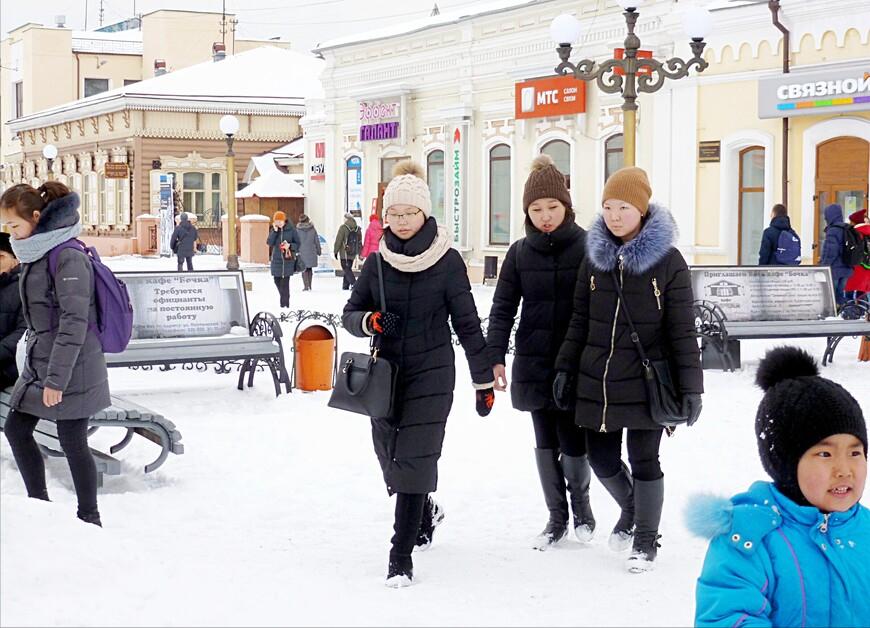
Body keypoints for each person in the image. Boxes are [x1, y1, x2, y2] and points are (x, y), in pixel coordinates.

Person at [342, 160, 494, 588]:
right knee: (391, 460)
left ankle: (400, 557)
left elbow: (467, 324)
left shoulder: (446, 263)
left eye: (410, 213)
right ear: (384, 217)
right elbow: (349, 314)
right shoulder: (376, 263)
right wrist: (370, 322)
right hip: (385, 377)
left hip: (431, 373)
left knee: (413, 461)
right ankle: (424, 510)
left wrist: (482, 381)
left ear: (425, 215)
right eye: (395, 214)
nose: (403, 221)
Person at [552, 166, 703, 572]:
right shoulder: (594, 258)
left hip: (646, 380)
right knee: (601, 459)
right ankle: (635, 507)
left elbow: (682, 331)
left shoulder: (669, 262)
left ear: (641, 209)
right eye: (607, 207)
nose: (614, 215)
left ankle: (645, 539)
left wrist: (692, 388)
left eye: (623, 207)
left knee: (644, 458)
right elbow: (579, 319)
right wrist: (566, 366)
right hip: (598, 379)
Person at [689, 346, 869, 627]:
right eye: (825, 454)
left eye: (855, 453)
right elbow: (727, 617)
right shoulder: (749, 539)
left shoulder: (865, 530)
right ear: (786, 462)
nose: (844, 470)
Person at [486, 154, 595, 550]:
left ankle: (582, 508)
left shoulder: (587, 247)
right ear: (526, 212)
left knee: (573, 438)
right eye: (536, 209)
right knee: (544, 438)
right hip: (533, 360)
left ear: (566, 206)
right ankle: (556, 517)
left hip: (576, 361)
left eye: (552, 207)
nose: (545, 216)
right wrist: (494, 356)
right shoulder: (518, 253)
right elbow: (502, 309)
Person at [0, 182, 110, 526]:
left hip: (73, 364)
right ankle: (41, 507)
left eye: (15, 225)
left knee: (71, 439)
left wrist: (56, 379)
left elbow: (74, 323)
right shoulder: (35, 252)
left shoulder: (67, 256)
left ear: (36, 217)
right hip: (42, 361)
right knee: (17, 428)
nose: (10, 234)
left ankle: (89, 517)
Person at [0, 231, 27, 389]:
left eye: (1, 256)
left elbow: (24, 332)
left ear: (15, 258)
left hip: (10, 365)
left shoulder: (24, 287)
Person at [820, 203, 853, 307]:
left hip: (834, 270)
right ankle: (843, 312)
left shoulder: (833, 231)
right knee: (840, 294)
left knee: (831, 295)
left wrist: (823, 266)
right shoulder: (847, 229)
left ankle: (832, 314)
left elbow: (831, 252)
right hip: (847, 269)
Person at [267, 211, 299, 310]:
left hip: (287, 260)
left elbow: (298, 244)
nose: (279, 223)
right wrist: (275, 231)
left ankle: (284, 305)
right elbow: (269, 242)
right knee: (277, 280)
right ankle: (284, 298)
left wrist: (289, 245)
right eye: (276, 221)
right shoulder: (274, 230)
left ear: (284, 220)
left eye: (280, 221)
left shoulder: (292, 230)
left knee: (285, 283)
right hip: (276, 260)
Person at [334, 213, 362, 290]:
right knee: (348, 268)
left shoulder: (343, 228)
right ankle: (345, 286)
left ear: (346, 219)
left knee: (346, 268)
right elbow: (359, 242)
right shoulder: (357, 229)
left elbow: (338, 240)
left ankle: (354, 284)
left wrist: (335, 251)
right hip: (353, 252)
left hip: (344, 252)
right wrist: (359, 252)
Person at [295, 214, 321, 291]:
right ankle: (310, 285)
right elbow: (317, 241)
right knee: (309, 269)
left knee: (304, 269)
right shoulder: (312, 229)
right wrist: (319, 251)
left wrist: (295, 251)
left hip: (302, 252)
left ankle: (306, 286)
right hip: (312, 251)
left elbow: (296, 241)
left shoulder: (298, 230)